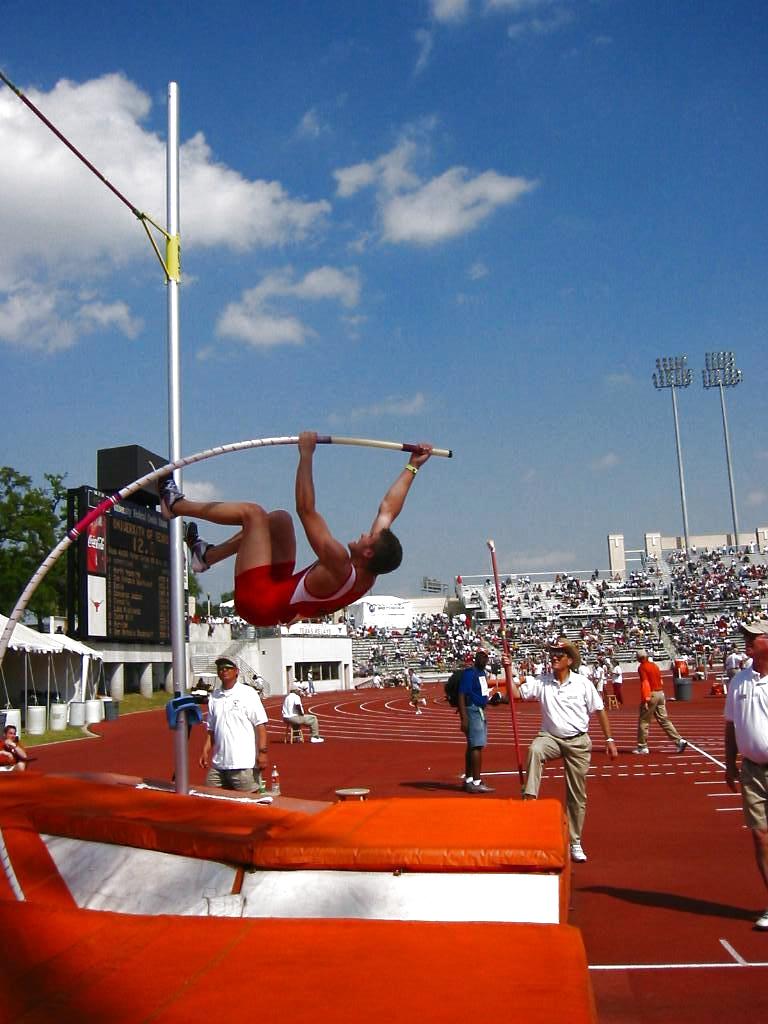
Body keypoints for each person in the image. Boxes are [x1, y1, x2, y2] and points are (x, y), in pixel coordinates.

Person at [161, 431, 433, 627]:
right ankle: (206, 557)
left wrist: (305, 454)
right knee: (278, 521)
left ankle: (175, 505)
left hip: (258, 602)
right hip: (278, 591)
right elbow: (388, 509)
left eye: (369, 537)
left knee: (253, 514)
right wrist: (412, 466)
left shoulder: (339, 562)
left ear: (369, 553)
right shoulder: (368, 573)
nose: (365, 533)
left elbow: (306, 509)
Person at [508, 639, 618, 862]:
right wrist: (508, 669)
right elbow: (516, 694)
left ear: (569, 659)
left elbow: (599, 709)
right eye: (552, 654)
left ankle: (574, 841)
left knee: (577, 794)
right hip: (551, 738)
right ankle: (529, 799)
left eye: (559, 654)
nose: (554, 657)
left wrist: (609, 739)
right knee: (535, 749)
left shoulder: (582, 683)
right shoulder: (543, 681)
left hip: (578, 742)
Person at [724, 619, 768, 930]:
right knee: (760, 837)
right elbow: (730, 724)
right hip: (751, 770)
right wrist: (729, 763)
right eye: (745, 635)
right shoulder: (739, 680)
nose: (747, 640)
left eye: (754, 635)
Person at [199, 657, 269, 791]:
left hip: (242, 764)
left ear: (236, 671)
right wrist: (205, 751)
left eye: (227, 668)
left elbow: (261, 726)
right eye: (220, 669)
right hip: (219, 764)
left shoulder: (248, 694)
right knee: (210, 800)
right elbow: (211, 729)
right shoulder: (214, 697)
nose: (223, 671)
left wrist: (263, 753)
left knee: (249, 804)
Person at [633, 651, 688, 755]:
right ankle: (679, 741)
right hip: (660, 693)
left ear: (640, 658)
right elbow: (660, 680)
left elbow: (645, 683)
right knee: (664, 720)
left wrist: (645, 698)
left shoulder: (642, 667)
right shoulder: (654, 665)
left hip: (652, 694)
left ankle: (642, 746)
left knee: (644, 721)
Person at [457, 649, 494, 794]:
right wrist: (464, 718)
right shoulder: (470, 673)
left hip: (480, 709)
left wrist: (492, 700)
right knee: (476, 746)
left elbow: (483, 694)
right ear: (476, 658)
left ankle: (469, 780)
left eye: (486, 657)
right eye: (482, 657)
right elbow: (461, 694)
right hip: (472, 711)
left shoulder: (482, 674)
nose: (484, 660)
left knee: (472, 746)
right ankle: (476, 782)